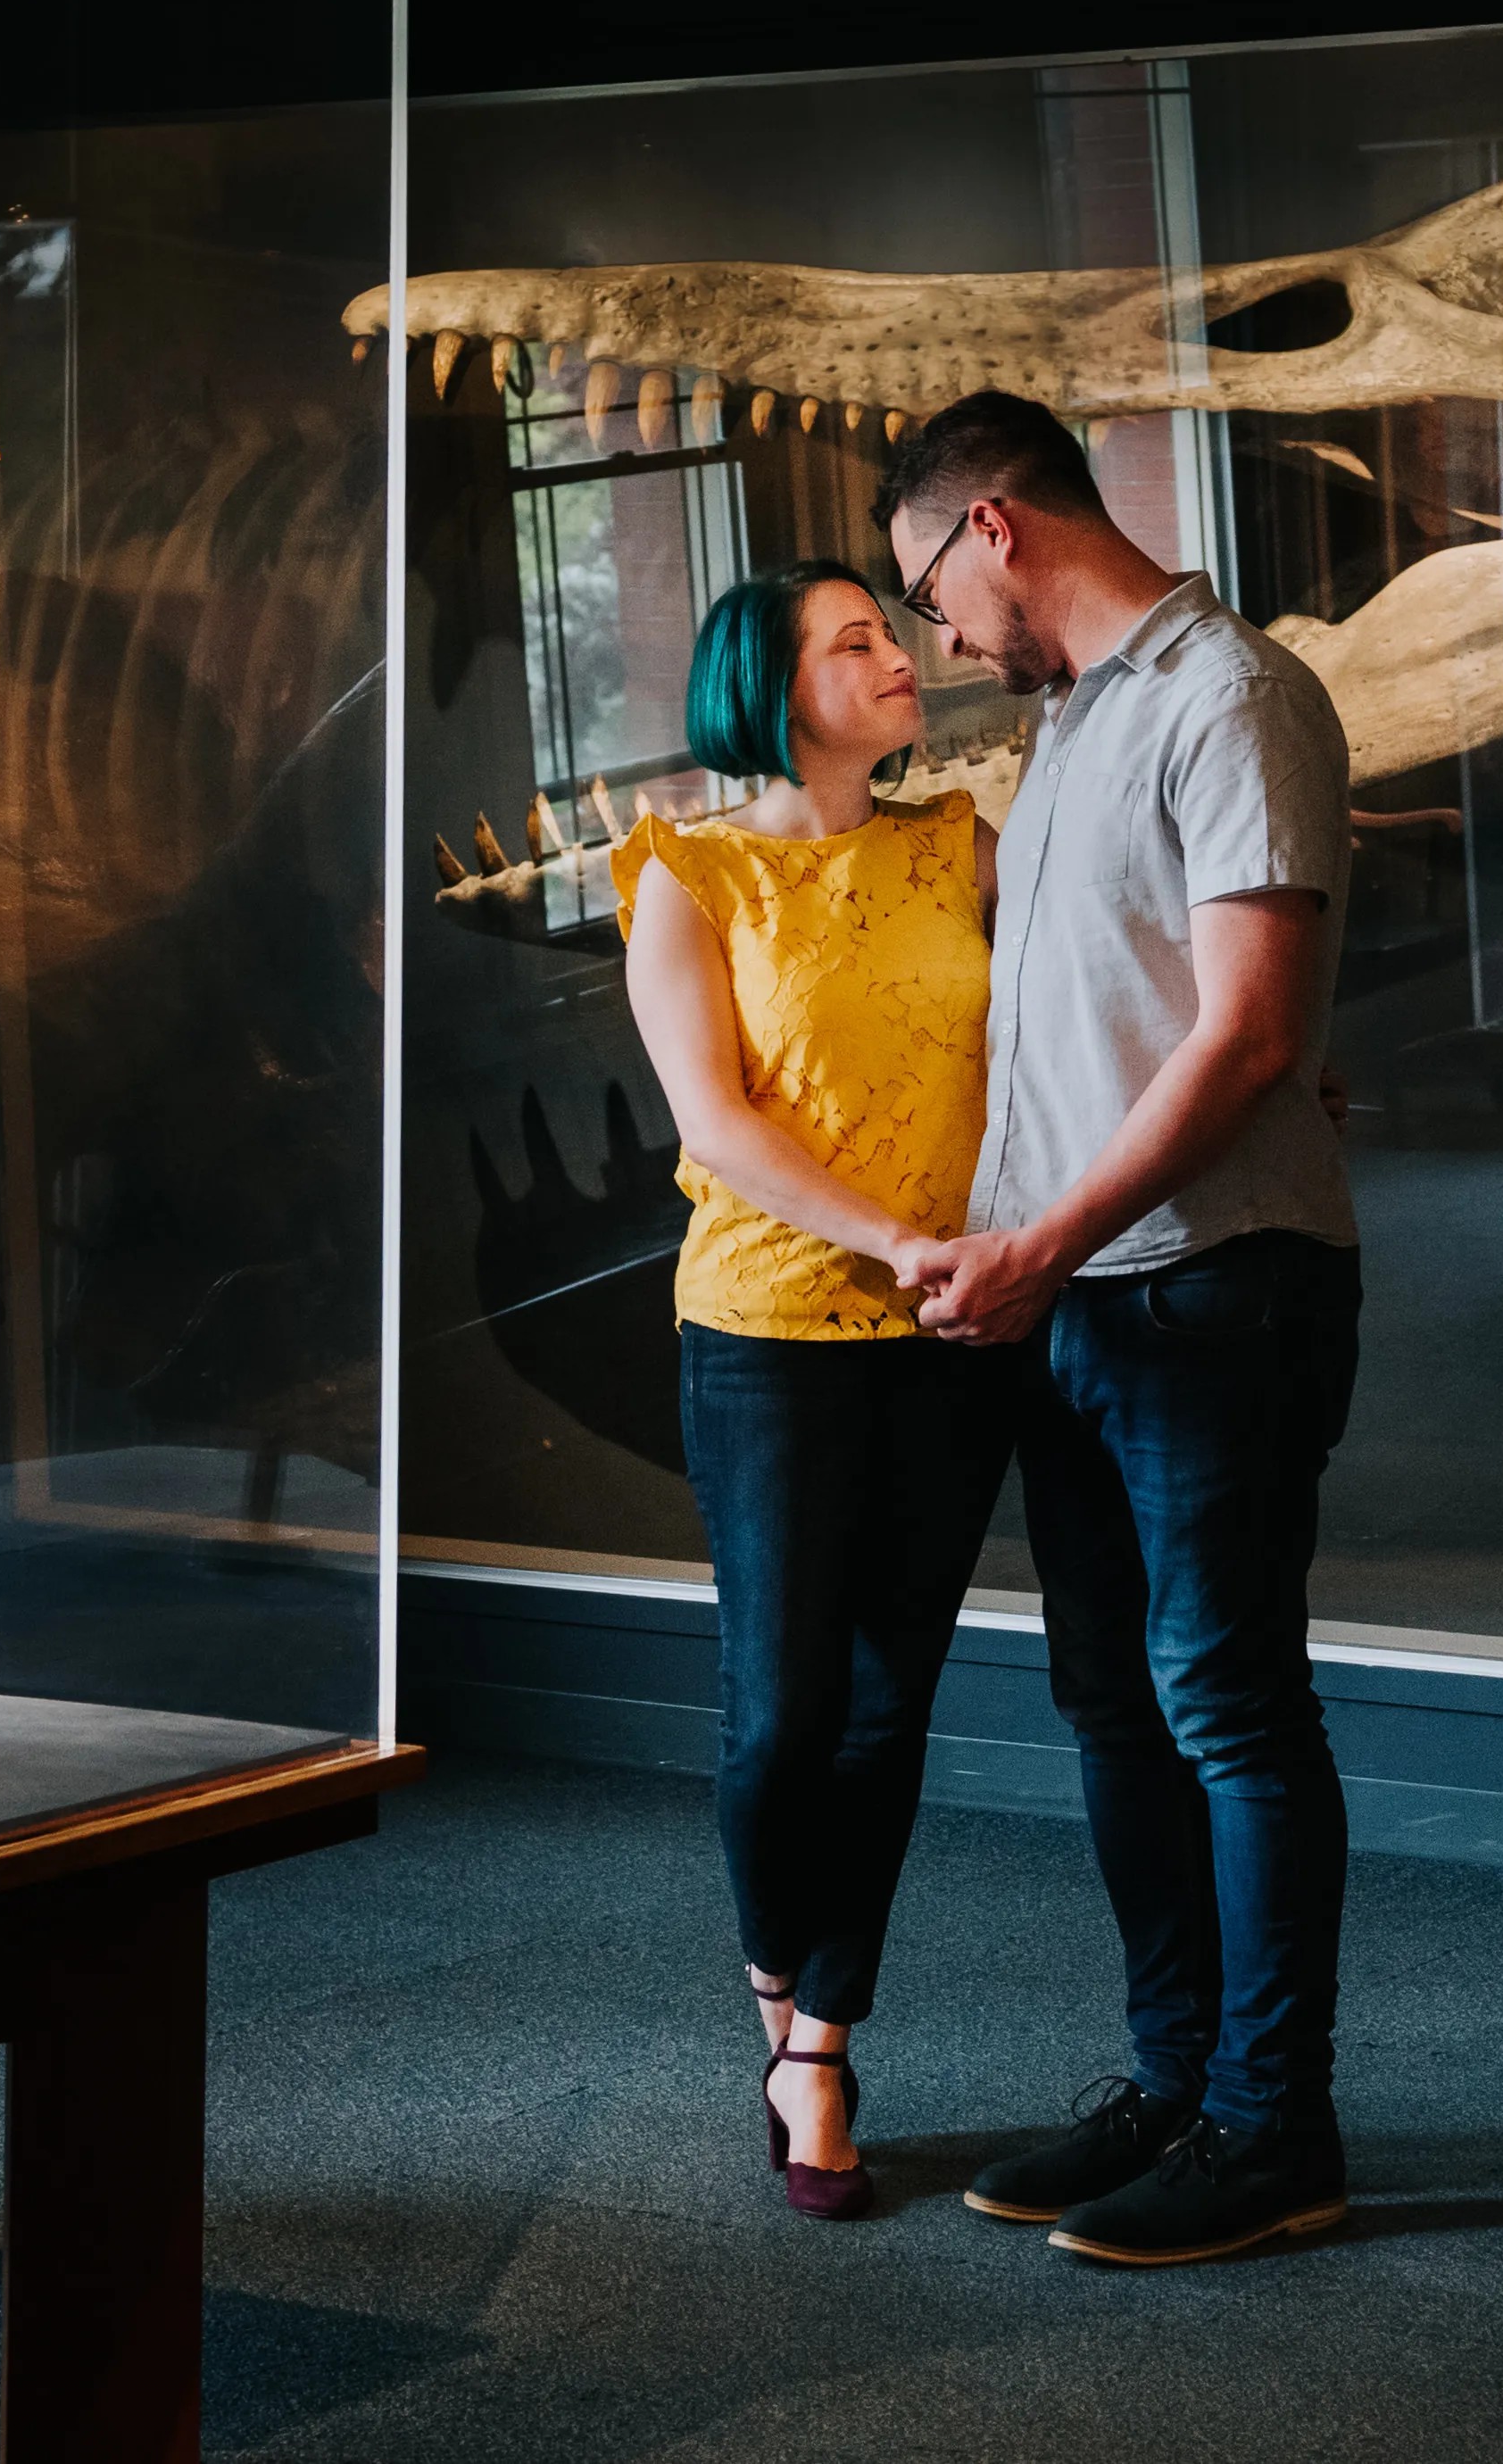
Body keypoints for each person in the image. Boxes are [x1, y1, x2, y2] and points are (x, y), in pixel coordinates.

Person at [878, 391, 1363, 2269]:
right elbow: (1129, 1019)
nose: (937, 638)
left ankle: (1275, 2124)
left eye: (927, 587)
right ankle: (1174, 2082)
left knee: (1228, 1704)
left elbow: (1247, 1033)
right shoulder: (1072, 721)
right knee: (1113, 1704)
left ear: (990, 524)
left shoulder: (1235, 692)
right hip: (1082, 1295)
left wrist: (1047, 1238)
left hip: (1207, 1287)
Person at [614, 560, 1021, 2224]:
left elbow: (1064, 1015)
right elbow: (714, 1123)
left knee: (886, 1704)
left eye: (892, 628)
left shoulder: (961, 841)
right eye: (853, 641)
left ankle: (823, 2039)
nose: (898, 655)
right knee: (781, 1708)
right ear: (769, 690)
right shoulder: (687, 874)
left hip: (951, 1335)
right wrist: (901, 1238)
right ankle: (776, 1972)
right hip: (770, 1331)